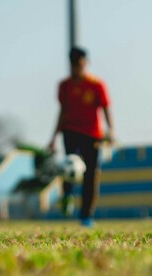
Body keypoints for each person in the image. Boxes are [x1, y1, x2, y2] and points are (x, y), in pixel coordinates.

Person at [48, 46, 115, 227]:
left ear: (86, 63)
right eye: (74, 65)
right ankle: (67, 195)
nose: (77, 68)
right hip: (70, 132)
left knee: (91, 176)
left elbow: (106, 108)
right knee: (68, 167)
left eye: (80, 64)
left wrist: (111, 131)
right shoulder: (65, 86)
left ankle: (86, 216)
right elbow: (62, 111)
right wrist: (53, 138)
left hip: (93, 136)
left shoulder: (96, 85)